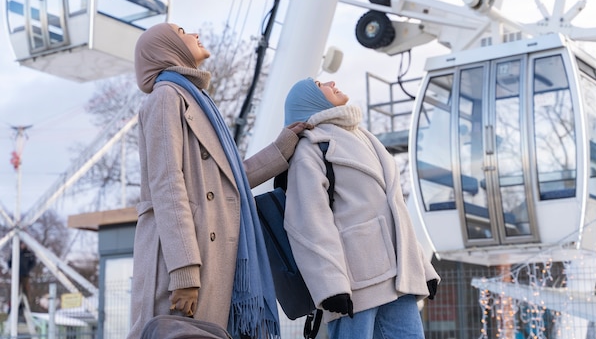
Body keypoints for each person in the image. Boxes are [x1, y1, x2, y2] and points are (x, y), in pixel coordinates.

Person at [128, 23, 312, 339]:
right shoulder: (165, 98)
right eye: (182, 30)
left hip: (210, 257)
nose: (194, 33)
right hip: (184, 262)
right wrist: (184, 272)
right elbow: (167, 185)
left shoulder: (197, 101)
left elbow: (230, 181)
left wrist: (280, 149)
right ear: (165, 46)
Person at [282, 78, 440, 339]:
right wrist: (330, 286)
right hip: (356, 285)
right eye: (320, 83)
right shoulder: (311, 148)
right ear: (308, 99)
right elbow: (309, 222)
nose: (332, 81)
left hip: (400, 279)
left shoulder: (365, 137)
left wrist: (422, 268)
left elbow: (395, 211)